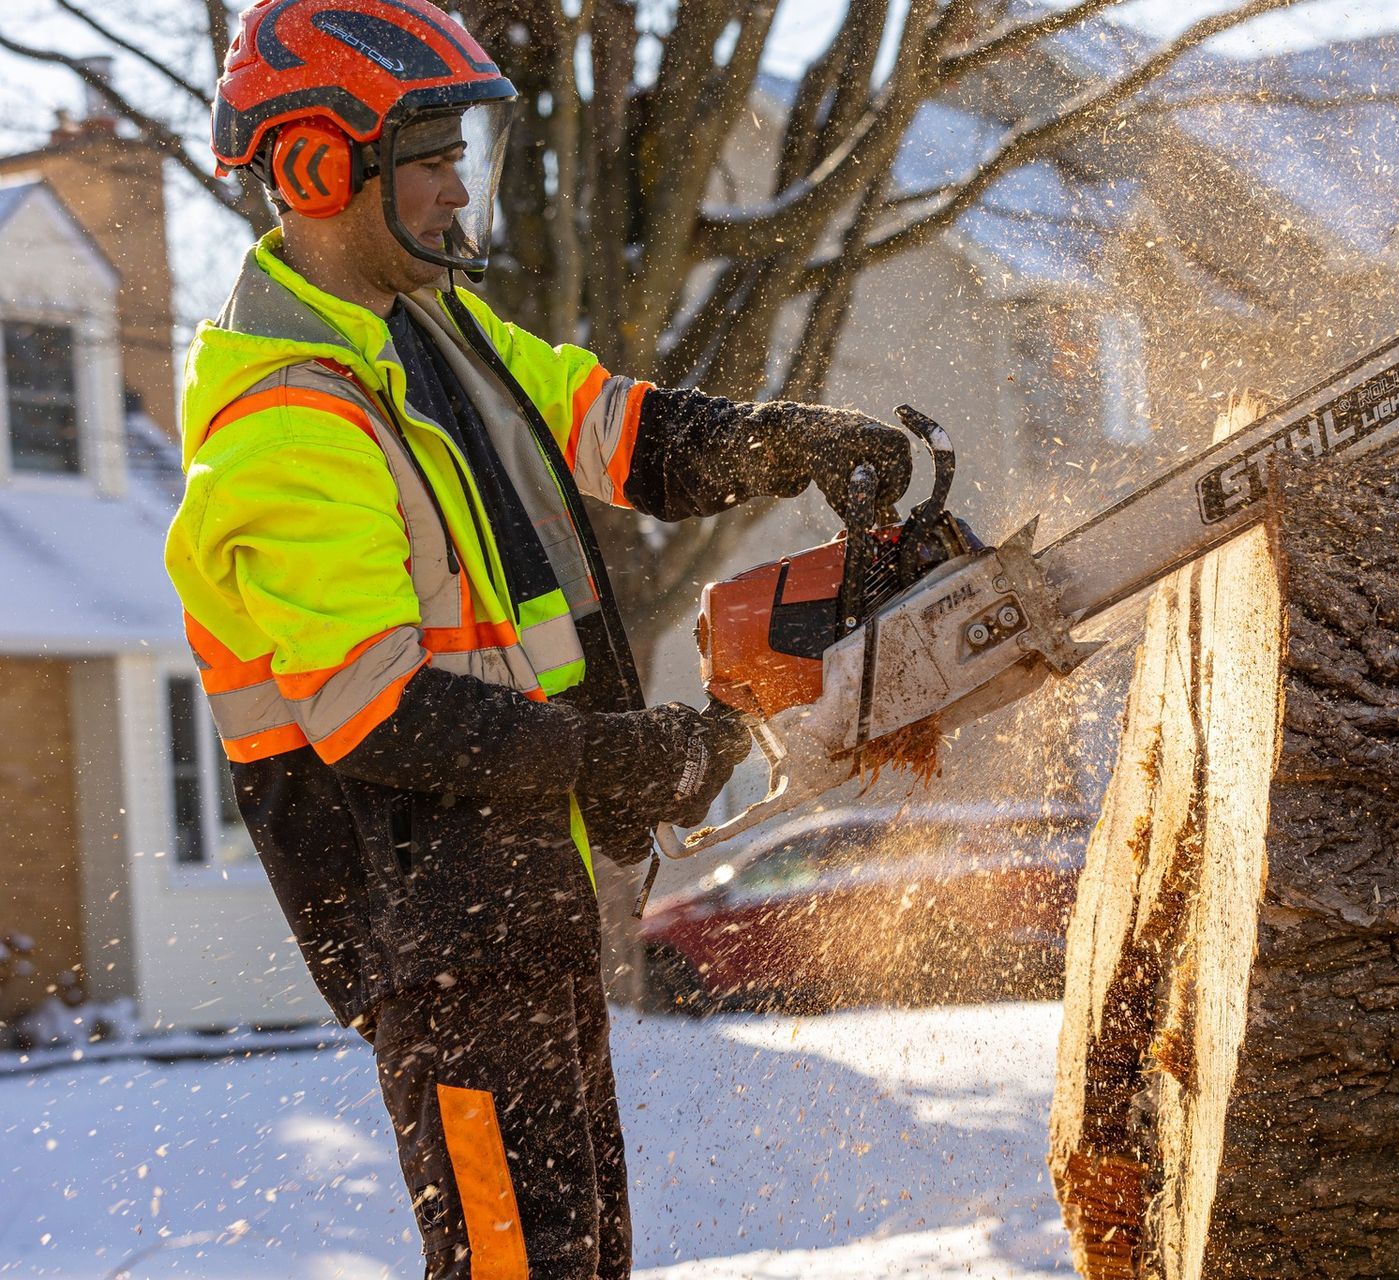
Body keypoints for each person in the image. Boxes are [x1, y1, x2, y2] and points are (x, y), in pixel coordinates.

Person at [162, 1, 913, 1275]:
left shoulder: (432, 334)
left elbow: (610, 422)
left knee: (582, 1255)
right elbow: (378, 715)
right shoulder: (285, 427)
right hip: (441, 949)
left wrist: (783, 442)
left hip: (528, 910)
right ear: (313, 166)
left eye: (465, 152)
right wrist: (626, 756)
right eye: (430, 156)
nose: (461, 187)